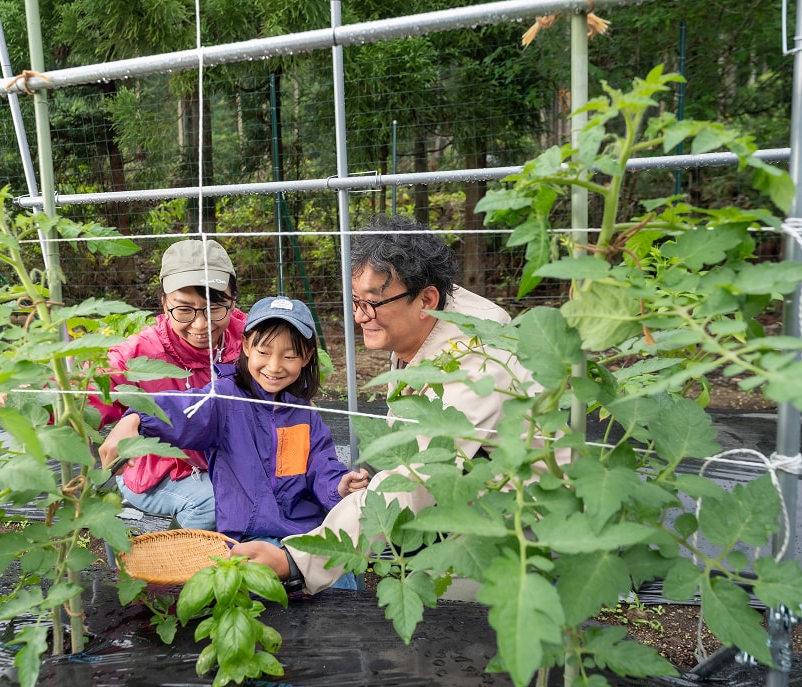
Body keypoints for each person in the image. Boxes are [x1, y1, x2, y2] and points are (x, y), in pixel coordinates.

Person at [232, 213, 554, 594]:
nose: (359, 316)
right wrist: (371, 468)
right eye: (356, 300)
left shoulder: (473, 364)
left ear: (427, 299)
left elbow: (416, 482)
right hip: (474, 495)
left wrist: (296, 560)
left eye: (371, 303)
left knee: (438, 604)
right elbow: (407, 425)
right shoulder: (424, 318)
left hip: (527, 520)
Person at [98, 295, 370, 551]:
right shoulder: (224, 399)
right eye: (264, 352)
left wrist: (339, 486)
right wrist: (137, 418)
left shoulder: (304, 413)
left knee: (337, 577)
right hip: (249, 535)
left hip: (305, 531)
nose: (274, 366)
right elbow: (183, 409)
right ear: (247, 346)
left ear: (307, 357)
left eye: (289, 356)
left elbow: (322, 464)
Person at [90, 238, 245, 530]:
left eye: (214, 308)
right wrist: (36, 397)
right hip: (158, 469)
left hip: (232, 463)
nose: (201, 325)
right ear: (164, 303)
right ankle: (183, 553)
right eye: (184, 309)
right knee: (214, 504)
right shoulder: (142, 353)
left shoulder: (248, 339)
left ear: (233, 302)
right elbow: (88, 388)